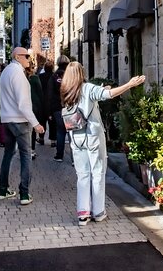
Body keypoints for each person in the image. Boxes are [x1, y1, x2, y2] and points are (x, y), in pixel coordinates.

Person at [60, 62, 145, 225]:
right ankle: (98, 212)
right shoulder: (87, 88)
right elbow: (109, 95)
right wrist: (129, 84)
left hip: (76, 138)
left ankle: (83, 213)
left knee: (82, 175)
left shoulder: (66, 91)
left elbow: (95, 95)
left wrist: (102, 89)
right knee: (97, 173)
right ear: (81, 73)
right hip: (92, 136)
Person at [0, 47, 44, 205]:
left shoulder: (6, 72)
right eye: (27, 56)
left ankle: (2, 190)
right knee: (26, 155)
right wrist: (36, 123)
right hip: (19, 120)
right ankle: (24, 194)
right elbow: (23, 104)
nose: (29, 59)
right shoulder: (18, 74)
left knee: (8, 154)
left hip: (7, 119)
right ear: (17, 56)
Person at [47, 55, 70, 161]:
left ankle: (59, 155)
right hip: (71, 107)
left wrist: (50, 112)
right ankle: (75, 159)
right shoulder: (71, 75)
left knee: (60, 132)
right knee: (72, 133)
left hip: (57, 108)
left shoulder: (54, 77)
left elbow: (50, 95)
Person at [25, 54, 44, 159]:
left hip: (23, 107)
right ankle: (31, 150)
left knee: (25, 130)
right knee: (32, 129)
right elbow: (40, 93)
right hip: (34, 106)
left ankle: (25, 149)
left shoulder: (22, 78)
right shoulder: (35, 78)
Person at [37, 61, 54, 145]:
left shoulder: (40, 76)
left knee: (42, 121)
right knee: (52, 122)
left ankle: (41, 138)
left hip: (42, 101)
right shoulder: (54, 76)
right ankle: (53, 141)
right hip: (52, 101)